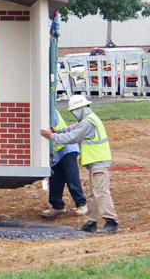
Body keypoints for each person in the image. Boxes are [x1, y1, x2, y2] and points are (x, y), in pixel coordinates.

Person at [40, 95, 119, 233]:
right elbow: (74, 129)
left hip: (98, 162)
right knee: (95, 194)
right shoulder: (89, 119)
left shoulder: (88, 122)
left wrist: (52, 136)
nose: (74, 114)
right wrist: (59, 131)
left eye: (74, 111)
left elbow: (72, 137)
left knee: (101, 193)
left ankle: (111, 221)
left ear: (80, 109)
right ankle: (91, 223)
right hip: (96, 163)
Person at [41, 110, 88, 218]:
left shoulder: (50, 112)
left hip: (66, 148)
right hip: (55, 151)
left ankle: (81, 204)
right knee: (55, 178)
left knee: (72, 177)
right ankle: (57, 206)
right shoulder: (46, 109)